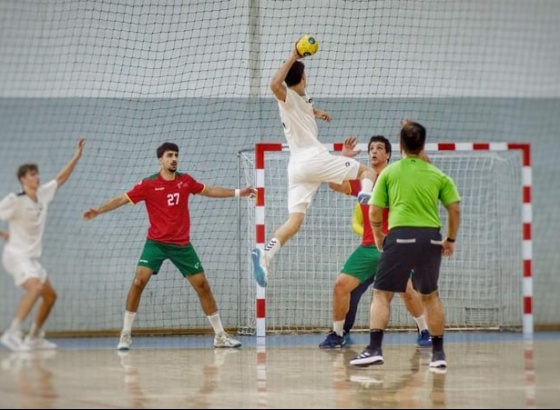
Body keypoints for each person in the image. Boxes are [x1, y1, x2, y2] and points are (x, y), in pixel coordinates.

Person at [83, 142, 255, 350]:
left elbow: (209, 190)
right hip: (156, 243)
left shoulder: (185, 181)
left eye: (176, 155)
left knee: (203, 285)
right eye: (169, 155)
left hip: (181, 245)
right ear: (160, 160)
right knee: (138, 282)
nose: (174, 158)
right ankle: (125, 334)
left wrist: (239, 192)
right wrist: (99, 211)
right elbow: (122, 199)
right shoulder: (148, 184)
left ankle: (220, 336)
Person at [251, 40, 376, 288]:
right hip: (313, 158)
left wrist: (318, 113)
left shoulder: (302, 99)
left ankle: (264, 255)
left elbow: (305, 106)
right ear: (304, 77)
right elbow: (274, 84)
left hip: (297, 168)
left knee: (294, 222)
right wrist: (293, 55)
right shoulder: (287, 97)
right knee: (367, 171)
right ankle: (365, 195)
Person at [350, 120, 461, 370]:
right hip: (431, 237)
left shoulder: (390, 172)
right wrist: (451, 239)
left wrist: (378, 236)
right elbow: (454, 209)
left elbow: (375, 211)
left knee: (381, 294)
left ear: (399, 146)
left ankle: (374, 349)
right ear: (423, 145)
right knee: (430, 296)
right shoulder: (436, 173)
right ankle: (438, 354)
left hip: (400, 237)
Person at [319, 135, 431, 349]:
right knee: (341, 285)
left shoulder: (398, 176)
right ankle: (337, 334)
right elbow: (334, 185)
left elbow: (426, 167)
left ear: (388, 154)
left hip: (393, 245)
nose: (374, 151)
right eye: (371, 148)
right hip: (368, 246)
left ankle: (425, 330)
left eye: (380, 148)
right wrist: (343, 159)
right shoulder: (364, 180)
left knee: (406, 290)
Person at [0, 138, 85, 351]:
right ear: (22, 179)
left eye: (37, 173)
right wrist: (4, 235)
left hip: (30, 258)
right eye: (31, 174)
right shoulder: (14, 200)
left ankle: (34, 337)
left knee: (50, 296)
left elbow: (60, 178)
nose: (36, 177)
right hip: (15, 255)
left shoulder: (43, 194)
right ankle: (12, 333)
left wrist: (76, 157)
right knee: (36, 288)